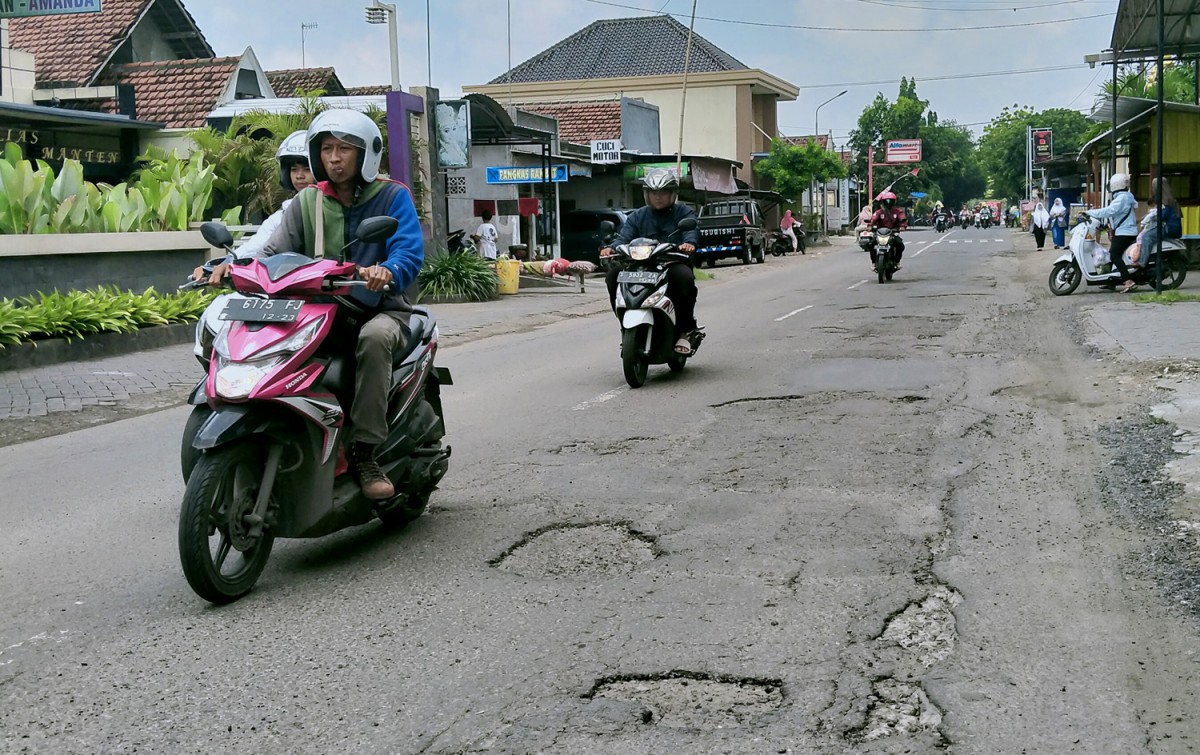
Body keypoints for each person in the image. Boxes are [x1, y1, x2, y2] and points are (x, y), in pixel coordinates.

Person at [196, 109, 424, 500]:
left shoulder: (392, 196)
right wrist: (228, 266)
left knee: (373, 339)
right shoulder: (307, 202)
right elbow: (271, 253)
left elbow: (408, 252)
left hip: (378, 308)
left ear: (365, 154)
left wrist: (387, 270)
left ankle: (365, 450)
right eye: (327, 149)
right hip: (315, 310)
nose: (334, 158)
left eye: (344, 149)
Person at [600, 167, 699, 355]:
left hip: (671, 263)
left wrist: (689, 244)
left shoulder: (683, 212)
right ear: (647, 194)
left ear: (672, 193)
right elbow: (624, 237)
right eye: (653, 192)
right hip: (641, 265)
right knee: (613, 276)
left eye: (663, 192)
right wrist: (611, 248)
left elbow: (691, 232)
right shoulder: (638, 216)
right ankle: (625, 328)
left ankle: (685, 331)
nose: (658, 197)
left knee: (684, 278)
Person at [191, 130, 315, 279]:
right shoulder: (284, 213)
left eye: (307, 169)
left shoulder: (332, 206)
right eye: (294, 169)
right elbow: (257, 247)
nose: (299, 176)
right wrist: (221, 265)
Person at [1086, 173, 1140, 292]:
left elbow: (1109, 211)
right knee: (1111, 255)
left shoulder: (1122, 198)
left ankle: (1128, 281)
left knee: (1114, 255)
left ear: (1115, 184)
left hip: (1125, 233)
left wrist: (1089, 212)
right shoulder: (1125, 197)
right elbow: (1116, 214)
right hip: (1125, 231)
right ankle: (1110, 281)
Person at [1138, 177, 1184, 265]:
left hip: (1169, 228)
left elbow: (1160, 215)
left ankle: (1142, 262)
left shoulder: (1166, 201)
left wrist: (1147, 220)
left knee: (1146, 237)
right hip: (1171, 227)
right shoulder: (1169, 198)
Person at [867, 191, 907, 270]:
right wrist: (870, 226)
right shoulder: (879, 212)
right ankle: (874, 263)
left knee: (900, 245)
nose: (888, 203)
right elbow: (873, 219)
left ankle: (897, 262)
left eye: (890, 201)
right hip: (880, 233)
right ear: (883, 202)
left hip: (892, 233)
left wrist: (902, 226)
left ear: (894, 202)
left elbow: (902, 219)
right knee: (871, 244)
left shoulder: (898, 211)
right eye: (886, 201)